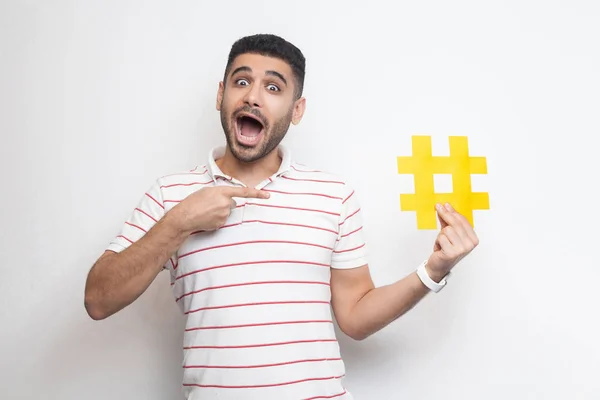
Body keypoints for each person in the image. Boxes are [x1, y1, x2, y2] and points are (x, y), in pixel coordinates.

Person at [84, 33, 479, 400]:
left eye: (273, 88)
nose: (253, 97)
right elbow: (98, 300)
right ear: (220, 94)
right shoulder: (171, 195)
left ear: (297, 110)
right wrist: (180, 221)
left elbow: (356, 317)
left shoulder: (333, 196)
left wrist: (434, 269)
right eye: (241, 82)